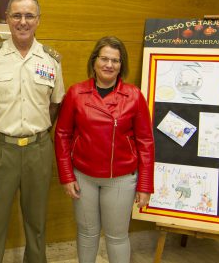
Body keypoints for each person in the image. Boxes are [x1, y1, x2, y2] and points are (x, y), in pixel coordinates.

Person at [0, 0, 65, 263]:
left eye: (29, 16)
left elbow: (55, 105)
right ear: (7, 19)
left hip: (38, 150)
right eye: (16, 15)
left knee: (37, 222)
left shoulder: (51, 60)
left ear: (38, 20)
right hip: (0, 150)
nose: (23, 22)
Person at [54, 36, 155, 263]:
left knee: (117, 237)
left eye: (115, 61)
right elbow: (62, 136)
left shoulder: (134, 96)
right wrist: (66, 176)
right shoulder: (75, 93)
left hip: (121, 179)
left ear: (122, 65)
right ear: (94, 61)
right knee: (87, 233)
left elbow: (146, 143)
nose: (109, 65)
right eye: (104, 59)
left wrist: (145, 184)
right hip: (83, 177)